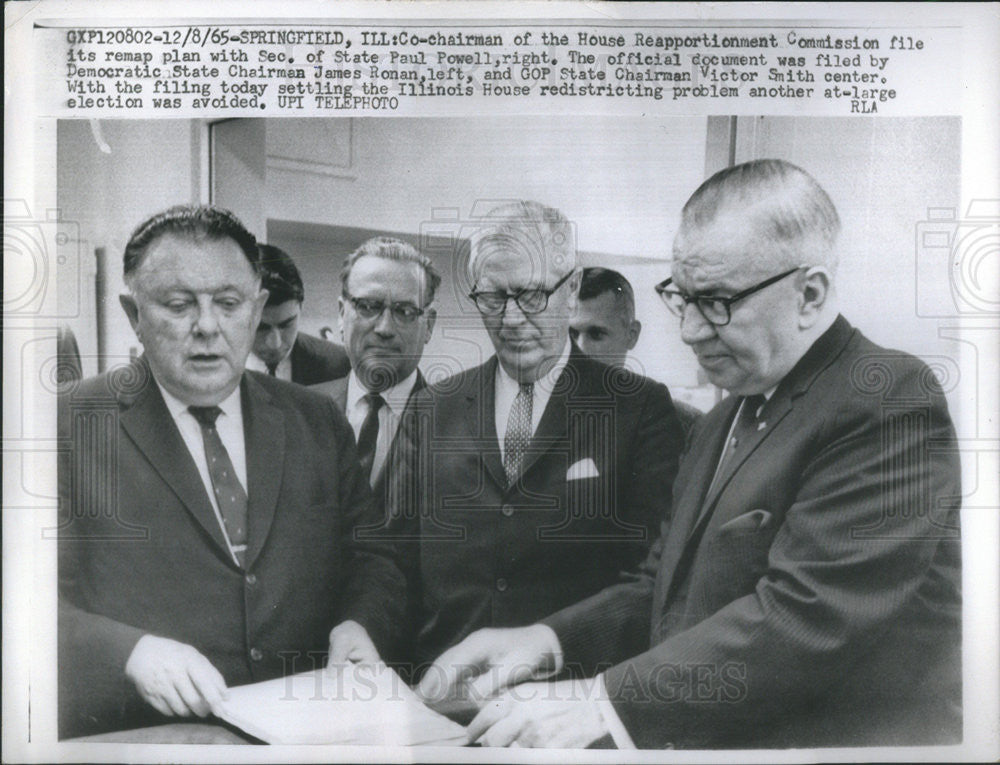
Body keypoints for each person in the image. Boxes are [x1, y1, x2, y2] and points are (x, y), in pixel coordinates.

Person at [417, 161, 962, 749]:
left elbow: (808, 616)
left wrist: (601, 702)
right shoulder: (723, 419)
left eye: (718, 302)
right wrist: (543, 642)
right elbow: (664, 587)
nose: (690, 331)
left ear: (810, 294)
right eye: (682, 298)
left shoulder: (885, 398)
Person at [57, 206, 407, 738]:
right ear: (133, 314)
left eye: (228, 303)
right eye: (178, 305)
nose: (207, 327)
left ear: (257, 306)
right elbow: (22, 600)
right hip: (145, 738)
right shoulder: (65, 425)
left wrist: (361, 623)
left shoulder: (315, 419)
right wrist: (129, 652)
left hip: (310, 732)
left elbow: (374, 557)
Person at [381, 201, 686, 675]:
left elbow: (651, 578)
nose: (512, 318)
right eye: (494, 298)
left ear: (572, 290)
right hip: (443, 694)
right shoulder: (430, 408)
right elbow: (391, 564)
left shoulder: (638, 408)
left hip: (568, 703)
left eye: (531, 295)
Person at [311, 237, 439, 490]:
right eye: (368, 306)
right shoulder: (300, 413)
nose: (384, 328)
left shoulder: (458, 428)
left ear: (429, 325)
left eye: (404, 312)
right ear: (341, 314)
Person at [571, 266, 703, 438]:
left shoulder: (683, 424)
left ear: (631, 335)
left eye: (596, 334)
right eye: (571, 335)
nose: (579, 350)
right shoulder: (535, 413)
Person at [247, 243, 351, 384]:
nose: (275, 344)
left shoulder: (339, 365)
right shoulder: (214, 364)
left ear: (301, 308)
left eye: (286, 325)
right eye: (261, 327)